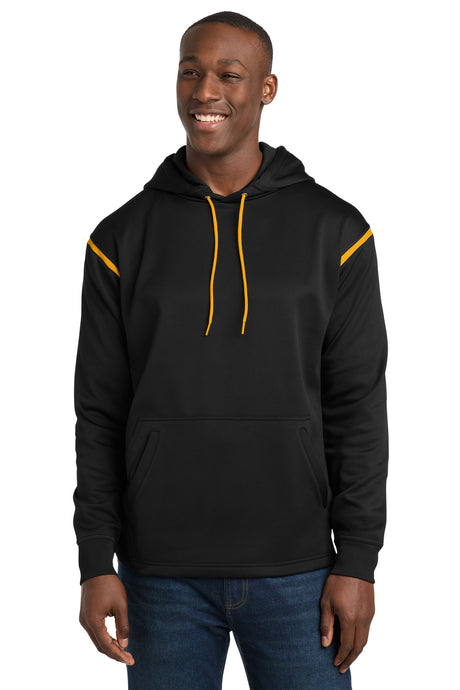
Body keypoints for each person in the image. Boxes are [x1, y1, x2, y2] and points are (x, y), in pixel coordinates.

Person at [73, 10, 389, 689]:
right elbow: (98, 412)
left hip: (301, 572)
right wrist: (95, 559)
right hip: (159, 576)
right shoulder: (120, 239)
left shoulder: (336, 232)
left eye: (229, 75)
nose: (205, 91)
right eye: (190, 72)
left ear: (267, 89)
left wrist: (358, 561)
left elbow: (358, 408)